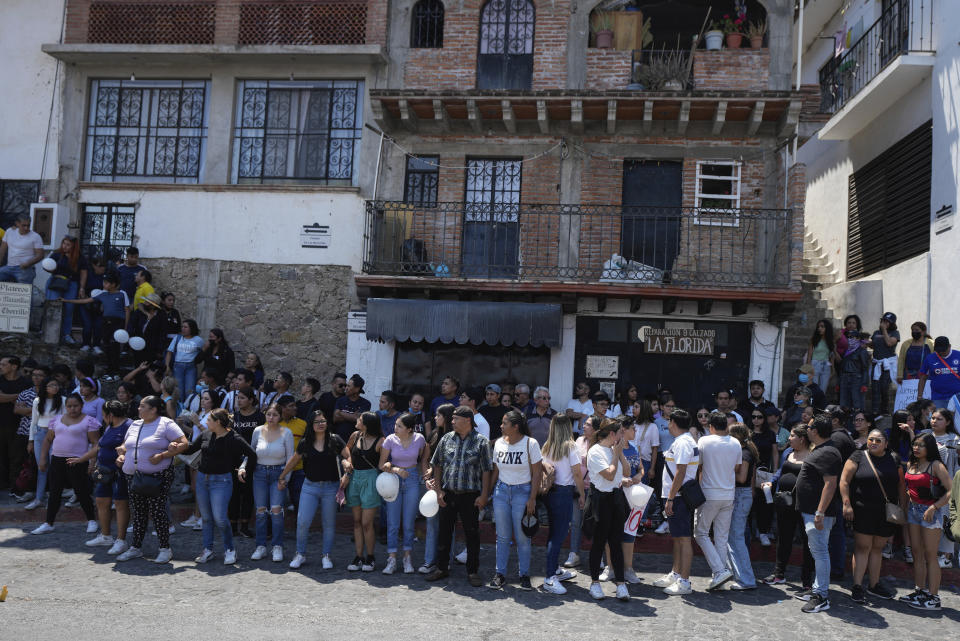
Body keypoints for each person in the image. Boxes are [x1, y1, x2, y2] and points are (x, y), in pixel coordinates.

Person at [424, 405, 493, 586]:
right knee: (444, 533)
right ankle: (441, 568)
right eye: (452, 418)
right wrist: (438, 491)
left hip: (470, 495)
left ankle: (472, 571)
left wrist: (484, 495)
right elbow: (437, 464)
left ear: (468, 420)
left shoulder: (481, 442)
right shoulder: (446, 439)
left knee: (472, 533)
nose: (452, 422)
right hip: (448, 493)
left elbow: (487, 470)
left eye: (456, 419)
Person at [178, 408, 256, 565]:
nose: (206, 422)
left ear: (218, 422)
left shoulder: (234, 437)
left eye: (209, 420)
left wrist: (243, 469)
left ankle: (230, 550)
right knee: (206, 518)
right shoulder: (206, 434)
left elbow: (251, 454)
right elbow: (192, 448)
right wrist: (177, 447)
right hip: (202, 479)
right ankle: (208, 550)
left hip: (222, 481)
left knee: (220, 517)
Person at [115, 396, 188, 563]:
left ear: (153, 409)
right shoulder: (135, 424)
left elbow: (184, 444)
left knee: (157, 511)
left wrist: (164, 455)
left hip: (157, 476)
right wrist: (122, 453)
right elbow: (127, 444)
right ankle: (136, 548)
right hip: (133, 476)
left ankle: (165, 548)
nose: (138, 409)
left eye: (142, 406)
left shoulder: (166, 424)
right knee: (138, 512)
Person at [839, 428, 906, 603]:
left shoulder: (894, 459)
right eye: (871, 440)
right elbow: (844, 481)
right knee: (862, 547)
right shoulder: (858, 456)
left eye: (877, 440)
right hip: (862, 510)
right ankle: (857, 586)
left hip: (885, 513)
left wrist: (903, 509)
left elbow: (900, 486)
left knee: (877, 549)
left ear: (886, 443)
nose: (873, 443)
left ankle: (874, 584)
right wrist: (846, 504)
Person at [280, 410, 351, 570]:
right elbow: (294, 460)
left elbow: (348, 456)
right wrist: (282, 476)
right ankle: (300, 554)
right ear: (311, 425)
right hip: (309, 486)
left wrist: (347, 466)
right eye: (317, 422)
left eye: (323, 421)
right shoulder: (305, 442)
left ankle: (326, 555)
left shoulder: (335, 440)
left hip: (331, 487)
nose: (320, 424)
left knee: (328, 523)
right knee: (303, 521)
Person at [486, 410, 542, 591]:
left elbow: (537, 473)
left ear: (515, 426)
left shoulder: (530, 443)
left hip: (522, 491)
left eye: (504, 423)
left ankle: (524, 574)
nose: (501, 426)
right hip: (501, 491)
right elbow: (495, 471)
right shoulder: (499, 443)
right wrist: (487, 493)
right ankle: (500, 574)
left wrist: (532, 498)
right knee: (502, 536)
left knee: (523, 536)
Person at [29, 393, 100, 536]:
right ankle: (48, 523)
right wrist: (43, 458)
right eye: (69, 406)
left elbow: (95, 444)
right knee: (54, 492)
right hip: (57, 459)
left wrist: (92, 463)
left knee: (82, 491)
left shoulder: (89, 421)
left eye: (76, 406)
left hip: (78, 461)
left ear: (81, 406)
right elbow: (48, 440)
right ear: (65, 406)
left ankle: (92, 520)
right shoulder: (56, 420)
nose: (72, 409)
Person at [899, 433, 954, 610]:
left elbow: (951, 490)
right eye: (915, 444)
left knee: (931, 556)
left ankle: (934, 597)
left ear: (929, 447)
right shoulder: (911, 464)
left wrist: (934, 507)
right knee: (917, 554)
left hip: (931, 513)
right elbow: (909, 487)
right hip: (914, 511)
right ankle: (920, 590)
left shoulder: (936, 465)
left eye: (921, 445)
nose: (916, 448)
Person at [794, 415, 842, 613]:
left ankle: (821, 596)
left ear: (815, 431)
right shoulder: (822, 450)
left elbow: (830, 484)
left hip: (818, 513)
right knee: (817, 552)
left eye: (810, 426)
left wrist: (820, 511)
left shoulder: (828, 452)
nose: (807, 429)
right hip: (810, 511)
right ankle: (816, 589)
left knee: (820, 553)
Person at [75, 400, 133, 554]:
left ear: (111, 415)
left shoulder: (129, 425)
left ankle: (121, 540)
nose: (103, 418)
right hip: (105, 471)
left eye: (104, 415)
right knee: (101, 500)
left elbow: (130, 445)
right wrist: (82, 459)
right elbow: (99, 446)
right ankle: (106, 535)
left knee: (121, 504)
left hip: (120, 472)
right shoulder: (109, 427)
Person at [761, 425, 814, 588]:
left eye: (792, 436)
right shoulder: (788, 453)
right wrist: (772, 481)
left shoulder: (812, 456)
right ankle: (779, 573)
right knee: (784, 538)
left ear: (802, 439)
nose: (789, 439)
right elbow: (780, 471)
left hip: (803, 504)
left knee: (807, 542)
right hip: (784, 502)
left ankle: (806, 580)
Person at [694, 411, 742, 591]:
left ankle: (719, 571)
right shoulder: (736, 442)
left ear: (711, 427)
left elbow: (698, 465)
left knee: (701, 533)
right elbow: (737, 467)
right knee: (721, 537)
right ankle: (720, 576)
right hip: (728, 494)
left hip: (709, 494)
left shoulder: (705, 441)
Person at [653, 409, 698, 595]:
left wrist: (671, 497)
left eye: (669, 422)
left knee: (684, 538)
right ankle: (676, 573)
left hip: (678, 497)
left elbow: (680, 472)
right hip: (675, 496)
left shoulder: (683, 443)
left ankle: (685, 582)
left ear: (673, 423)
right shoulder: (683, 441)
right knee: (677, 538)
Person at [584, 419, 630, 602]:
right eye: (620, 433)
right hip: (599, 500)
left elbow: (626, 472)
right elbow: (610, 475)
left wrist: (619, 454)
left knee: (616, 543)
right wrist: (615, 454)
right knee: (598, 543)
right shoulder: (595, 451)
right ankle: (594, 583)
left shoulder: (614, 450)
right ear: (612, 434)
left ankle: (621, 583)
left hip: (615, 498)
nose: (622, 436)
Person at [540, 414, 585, 595]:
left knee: (553, 532)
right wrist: (582, 494)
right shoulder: (571, 447)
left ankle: (555, 569)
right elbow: (577, 474)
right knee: (558, 535)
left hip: (549, 492)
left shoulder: (547, 445)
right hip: (564, 492)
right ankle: (550, 577)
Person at [379, 412, 428, 575]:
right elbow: (382, 464)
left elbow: (424, 454)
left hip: (413, 478)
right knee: (392, 522)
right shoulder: (390, 440)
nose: (395, 428)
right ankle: (391, 558)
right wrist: (394, 468)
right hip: (394, 479)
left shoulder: (419, 439)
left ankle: (407, 557)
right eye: (395, 425)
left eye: (399, 426)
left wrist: (425, 471)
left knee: (408, 522)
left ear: (408, 429)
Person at [245, 403, 293, 562]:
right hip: (259, 473)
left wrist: (285, 479)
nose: (271, 418)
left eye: (275, 415)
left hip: (278, 473)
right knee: (260, 511)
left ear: (280, 417)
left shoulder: (287, 433)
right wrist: (243, 467)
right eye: (269, 414)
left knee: (276, 510)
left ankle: (277, 546)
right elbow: (250, 453)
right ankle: (261, 546)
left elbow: (290, 458)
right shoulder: (257, 431)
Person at [345, 411, 384, 572]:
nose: (357, 420)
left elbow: (382, 464)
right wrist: (347, 464)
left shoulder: (381, 441)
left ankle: (370, 556)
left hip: (371, 479)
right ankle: (358, 555)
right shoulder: (355, 435)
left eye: (360, 419)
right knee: (356, 521)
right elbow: (347, 452)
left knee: (367, 522)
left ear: (367, 424)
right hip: (354, 478)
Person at [418, 402, 455, 574]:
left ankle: (445, 561)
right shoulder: (433, 434)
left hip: (450, 485)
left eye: (438, 415)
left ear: (446, 417)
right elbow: (426, 459)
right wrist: (427, 477)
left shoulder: (455, 437)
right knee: (431, 523)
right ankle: (429, 561)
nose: (435, 418)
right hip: (432, 484)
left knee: (448, 525)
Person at [923, 408, 959, 568]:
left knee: (946, 518)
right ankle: (931, 552)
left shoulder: (954, 439)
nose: (934, 421)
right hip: (927, 483)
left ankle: (946, 556)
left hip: (947, 483)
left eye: (939, 419)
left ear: (948, 422)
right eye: (933, 418)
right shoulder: (925, 435)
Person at [727, 424, 758, 590]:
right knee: (734, 537)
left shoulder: (745, 454)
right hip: (742, 495)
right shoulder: (746, 451)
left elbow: (742, 478)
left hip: (740, 495)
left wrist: (725, 470)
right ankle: (740, 575)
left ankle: (746, 579)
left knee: (737, 538)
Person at [228, 386, 262, 538]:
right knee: (233, 493)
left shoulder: (260, 417)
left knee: (248, 493)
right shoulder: (233, 417)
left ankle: (245, 526)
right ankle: (233, 525)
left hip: (252, 459)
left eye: (242, 398)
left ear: (251, 400)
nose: (239, 401)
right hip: (234, 459)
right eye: (238, 398)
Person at [25, 377, 63, 510]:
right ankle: (39, 498)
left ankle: (53, 499)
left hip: (57, 434)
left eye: (56, 385)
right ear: (45, 387)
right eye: (52, 385)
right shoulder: (37, 401)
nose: (55, 387)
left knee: (54, 467)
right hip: (40, 434)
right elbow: (33, 422)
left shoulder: (62, 400)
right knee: (41, 467)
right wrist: (31, 440)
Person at [563, 415, 595, 568]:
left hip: (594, 488)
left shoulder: (601, 444)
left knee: (595, 522)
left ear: (595, 429)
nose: (584, 426)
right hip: (578, 487)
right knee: (575, 522)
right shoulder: (579, 441)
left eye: (588, 424)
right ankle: (574, 553)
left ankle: (598, 555)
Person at [44, 236, 88, 345]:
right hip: (56, 282)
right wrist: (47, 267)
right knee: (53, 306)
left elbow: (83, 273)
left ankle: (66, 334)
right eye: (64, 243)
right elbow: (49, 267)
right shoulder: (56, 255)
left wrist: (82, 288)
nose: (65, 246)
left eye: (68, 244)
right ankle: (48, 331)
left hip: (71, 284)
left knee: (69, 309)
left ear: (74, 246)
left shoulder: (80, 258)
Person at [0, 356, 31, 493]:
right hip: (1, 424)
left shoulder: (25, 382)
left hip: (18, 426)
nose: (0, 366)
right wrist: (19, 396)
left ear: (14, 366)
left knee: (16, 457)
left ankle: (15, 486)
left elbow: (26, 403)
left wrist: (7, 397)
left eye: (3, 364)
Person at [749, 406, 778, 547]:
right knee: (749, 502)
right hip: (748, 472)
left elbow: (775, 453)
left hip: (765, 472)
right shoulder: (748, 433)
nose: (756, 420)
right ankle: (749, 532)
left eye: (759, 417)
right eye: (753, 417)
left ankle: (763, 532)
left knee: (765, 503)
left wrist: (775, 471)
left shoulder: (770, 434)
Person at [277, 395, 307, 510]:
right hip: (278, 469)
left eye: (295, 405)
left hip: (298, 469)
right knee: (277, 503)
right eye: (291, 406)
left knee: (298, 501)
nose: (295, 408)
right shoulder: (272, 423)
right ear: (282, 408)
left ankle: (299, 527)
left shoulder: (303, 424)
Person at [164, 319, 204, 398]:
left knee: (190, 390)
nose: (183, 329)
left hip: (191, 367)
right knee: (179, 390)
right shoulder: (177, 338)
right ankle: (180, 408)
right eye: (182, 327)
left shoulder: (198, 340)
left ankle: (189, 408)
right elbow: (169, 352)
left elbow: (203, 352)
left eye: (185, 327)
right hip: (178, 366)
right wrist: (167, 366)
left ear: (191, 328)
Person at [870, 312, 900, 416]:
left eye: (887, 322)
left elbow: (889, 343)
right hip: (877, 363)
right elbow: (874, 345)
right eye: (883, 321)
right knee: (875, 387)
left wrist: (884, 330)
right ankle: (875, 410)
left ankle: (885, 409)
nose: (884, 323)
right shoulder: (876, 332)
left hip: (887, 364)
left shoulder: (895, 333)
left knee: (884, 387)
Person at [837, 316, 870, 409]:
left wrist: (864, 384)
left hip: (856, 378)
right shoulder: (845, 350)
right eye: (849, 337)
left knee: (857, 402)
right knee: (844, 403)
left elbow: (865, 368)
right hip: (844, 378)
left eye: (854, 337)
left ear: (858, 338)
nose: (851, 339)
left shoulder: (862, 351)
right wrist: (838, 383)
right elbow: (841, 367)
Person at [919, 336, 960, 410]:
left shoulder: (958, 355)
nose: (941, 352)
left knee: (957, 421)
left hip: (957, 397)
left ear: (949, 346)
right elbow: (923, 377)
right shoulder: (930, 358)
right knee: (939, 419)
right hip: (938, 397)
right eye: (938, 351)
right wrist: (919, 396)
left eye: (943, 350)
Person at [0, 213, 43, 284]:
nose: (26, 228)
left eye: (28, 225)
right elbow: (2, 249)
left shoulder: (35, 236)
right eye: (24, 225)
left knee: (23, 291)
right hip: (9, 267)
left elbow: (40, 255)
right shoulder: (9, 231)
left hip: (25, 268)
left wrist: (28, 263)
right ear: (17, 224)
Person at [333, 374, 371, 443]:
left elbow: (358, 419)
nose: (345, 388)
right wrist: (353, 416)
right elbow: (335, 418)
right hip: (339, 440)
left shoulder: (365, 404)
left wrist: (341, 413)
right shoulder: (340, 400)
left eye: (348, 386)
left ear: (357, 389)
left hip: (356, 441)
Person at [79, 256, 106, 353]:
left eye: (104, 266)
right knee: (87, 325)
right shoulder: (88, 275)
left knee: (98, 325)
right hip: (86, 302)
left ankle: (96, 345)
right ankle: (86, 344)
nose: (103, 268)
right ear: (94, 265)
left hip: (100, 304)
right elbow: (82, 287)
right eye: (100, 266)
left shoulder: (105, 277)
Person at [805, 320, 836, 393]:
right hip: (815, 365)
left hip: (826, 366)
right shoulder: (814, 340)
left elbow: (831, 356)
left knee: (823, 391)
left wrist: (833, 370)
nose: (819, 328)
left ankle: (820, 404)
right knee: (814, 389)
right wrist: (809, 369)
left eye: (822, 326)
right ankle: (813, 404)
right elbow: (809, 356)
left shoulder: (831, 341)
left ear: (827, 328)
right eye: (818, 327)